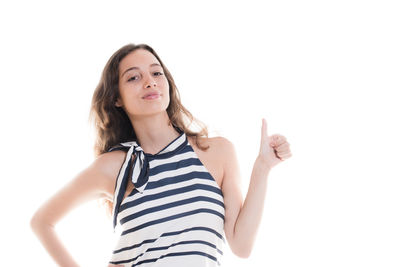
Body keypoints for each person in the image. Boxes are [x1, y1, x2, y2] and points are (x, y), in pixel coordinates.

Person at [30, 43, 292, 267]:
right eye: (133, 77)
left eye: (156, 72)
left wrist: (263, 168)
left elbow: (241, 245)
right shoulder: (115, 166)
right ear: (117, 98)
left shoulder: (217, 152)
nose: (150, 81)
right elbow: (42, 222)